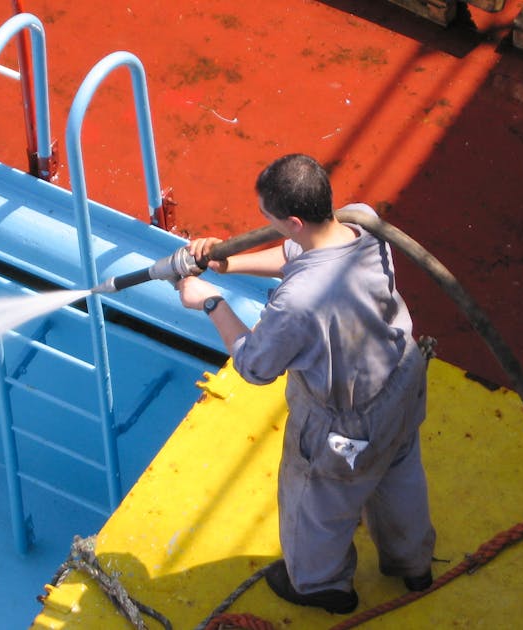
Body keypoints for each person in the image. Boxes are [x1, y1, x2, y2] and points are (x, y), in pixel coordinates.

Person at [174, 153, 436, 615]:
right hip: (400, 376)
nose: (265, 224)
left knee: (316, 504)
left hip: (348, 421)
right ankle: (413, 564)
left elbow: (255, 366)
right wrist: (229, 265)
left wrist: (211, 302)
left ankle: (322, 587)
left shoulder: (298, 302)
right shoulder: (362, 221)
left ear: (292, 219)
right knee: (399, 472)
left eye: (267, 217)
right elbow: (296, 252)